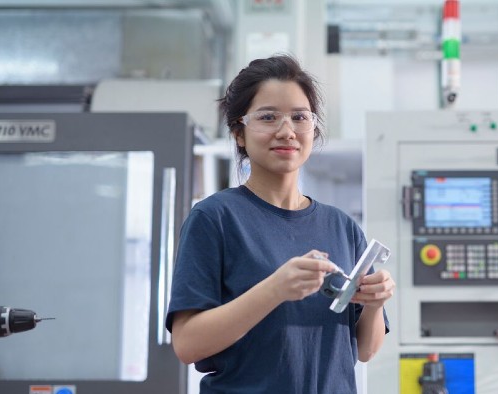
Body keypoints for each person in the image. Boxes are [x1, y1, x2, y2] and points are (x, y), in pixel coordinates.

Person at [166, 54, 395, 394]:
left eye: (299, 117)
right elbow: (187, 345)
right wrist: (275, 290)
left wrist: (375, 303)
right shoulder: (216, 218)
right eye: (268, 117)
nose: (286, 131)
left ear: (312, 128)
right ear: (239, 133)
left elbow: (365, 350)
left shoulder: (342, 226)